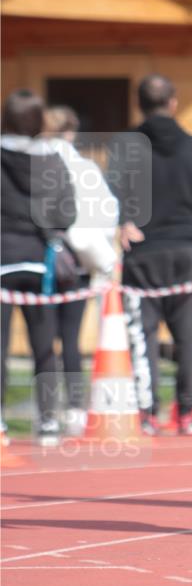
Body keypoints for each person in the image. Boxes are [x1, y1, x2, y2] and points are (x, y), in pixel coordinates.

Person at [110, 74, 192, 436]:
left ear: (139, 105)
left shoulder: (126, 145)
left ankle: (147, 413)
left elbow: (112, 194)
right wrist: (185, 230)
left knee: (144, 335)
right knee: (188, 336)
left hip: (142, 252)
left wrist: (124, 221)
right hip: (184, 250)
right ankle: (187, 413)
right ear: (173, 102)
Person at [1, 89, 76, 445]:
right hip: (39, 262)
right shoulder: (52, 159)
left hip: (2, 259)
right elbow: (67, 212)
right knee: (44, 343)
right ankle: (47, 422)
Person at [42, 105, 119, 436]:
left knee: (42, 338)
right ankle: (74, 411)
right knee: (70, 339)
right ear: (71, 133)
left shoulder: (38, 166)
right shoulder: (86, 167)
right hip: (82, 262)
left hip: (45, 260)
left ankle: (45, 416)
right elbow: (108, 211)